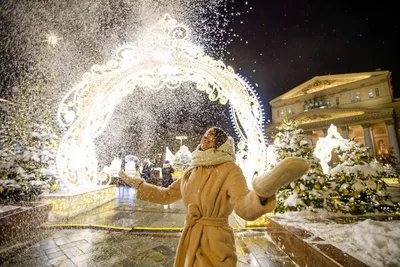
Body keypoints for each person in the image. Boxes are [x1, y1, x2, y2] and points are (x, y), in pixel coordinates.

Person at [119, 127, 309, 267]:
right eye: (206, 134)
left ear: (221, 144)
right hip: (190, 236)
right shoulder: (190, 171)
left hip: (215, 242)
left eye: (212, 136)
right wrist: (138, 184)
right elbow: (166, 195)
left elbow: (243, 206)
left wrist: (262, 193)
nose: (206, 137)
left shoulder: (229, 170)